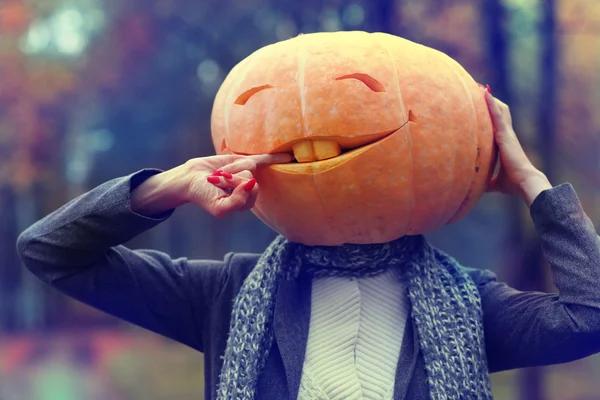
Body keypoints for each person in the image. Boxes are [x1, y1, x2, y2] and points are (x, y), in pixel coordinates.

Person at [17, 90, 600, 400]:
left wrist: (532, 184)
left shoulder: (469, 305)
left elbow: (589, 316)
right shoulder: (225, 295)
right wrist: (171, 185)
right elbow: (50, 250)